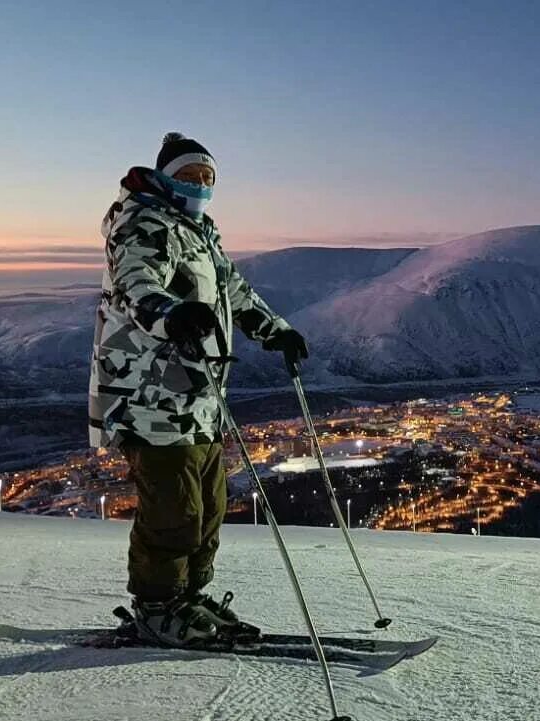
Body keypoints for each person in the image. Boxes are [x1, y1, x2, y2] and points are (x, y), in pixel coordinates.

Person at [89, 132, 308, 647]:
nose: (201, 186)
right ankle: (158, 605)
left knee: (208, 506)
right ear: (165, 176)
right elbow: (136, 284)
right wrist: (172, 313)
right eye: (190, 177)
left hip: (198, 397)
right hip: (148, 396)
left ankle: (187, 596)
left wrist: (276, 330)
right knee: (174, 511)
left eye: (209, 178)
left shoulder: (200, 231)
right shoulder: (141, 223)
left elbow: (234, 289)